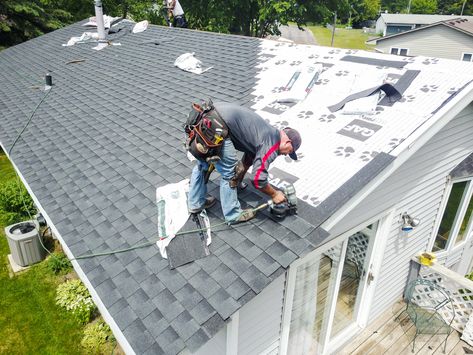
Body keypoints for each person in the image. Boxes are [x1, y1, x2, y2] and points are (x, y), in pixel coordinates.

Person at [187, 102, 301, 223]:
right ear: (288, 143)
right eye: (289, 152)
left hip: (209, 119)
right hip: (220, 127)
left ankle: (195, 203)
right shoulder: (272, 144)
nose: (285, 154)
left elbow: (249, 158)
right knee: (230, 174)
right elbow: (258, 179)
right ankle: (233, 214)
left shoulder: (268, 132)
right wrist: (274, 194)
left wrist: (239, 180)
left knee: (203, 165)